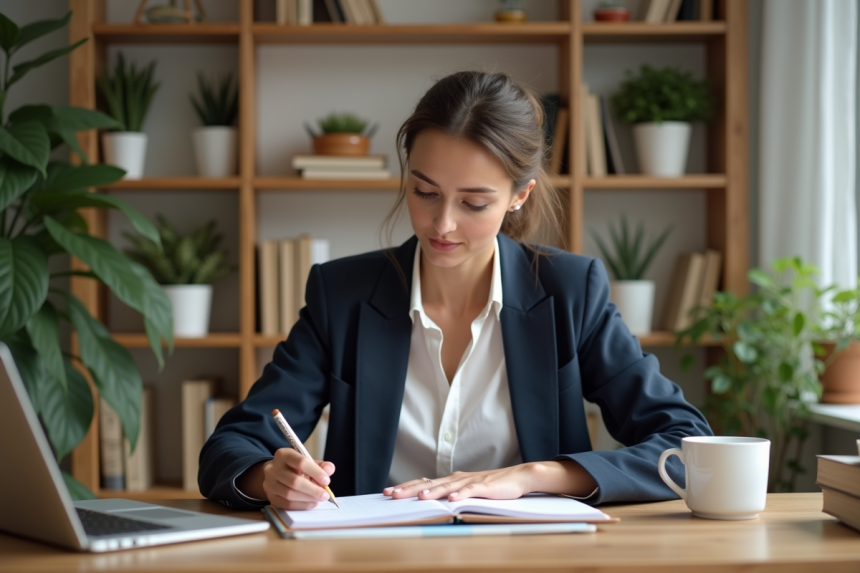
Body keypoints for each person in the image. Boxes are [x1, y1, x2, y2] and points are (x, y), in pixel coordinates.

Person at [199, 70, 712, 511]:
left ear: (519, 196)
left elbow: (688, 448)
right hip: (374, 558)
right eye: (425, 193)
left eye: (474, 202)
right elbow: (232, 447)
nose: (442, 223)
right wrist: (269, 478)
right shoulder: (343, 294)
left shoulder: (570, 291)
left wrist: (530, 477)